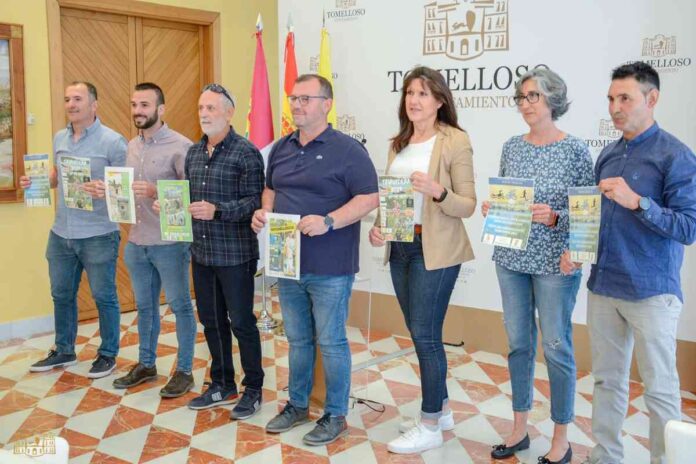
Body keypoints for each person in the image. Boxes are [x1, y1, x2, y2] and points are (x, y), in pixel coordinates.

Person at [561, 62, 696, 464]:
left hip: (651, 291)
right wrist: (578, 249)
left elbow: (688, 227)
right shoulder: (607, 154)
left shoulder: (676, 155)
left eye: (625, 98)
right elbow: (596, 219)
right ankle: (605, 456)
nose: (615, 107)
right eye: (611, 98)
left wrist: (639, 202)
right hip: (604, 287)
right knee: (607, 382)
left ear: (652, 99)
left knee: (660, 390)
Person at [252, 74, 378, 446]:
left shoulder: (349, 150)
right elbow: (271, 188)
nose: (296, 105)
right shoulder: (282, 147)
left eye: (305, 99)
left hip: (331, 266)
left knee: (332, 342)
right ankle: (297, 405)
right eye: (294, 98)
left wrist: (329, 221)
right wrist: (264, 211)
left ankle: (335, 414)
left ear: (327, 104)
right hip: (287, 262)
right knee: (297, 340)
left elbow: (369, 197)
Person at [483, 68, 593, 464]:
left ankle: (562, 437)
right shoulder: (512, 146)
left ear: (553, 100)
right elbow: (509, 199)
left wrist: (555, 217)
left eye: (534, 96)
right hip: (510, 259)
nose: (526, 104)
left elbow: (588, 212)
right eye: (522, 97)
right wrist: (494, 209)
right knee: (518, 344)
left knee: (556, 346)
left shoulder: (575, 150)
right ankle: (519, 428)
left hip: (555, 264)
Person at [367, 66, 477, 454]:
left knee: (426, 334)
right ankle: (441, 408)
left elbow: (467, 205)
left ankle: (429, 424)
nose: (414, 100)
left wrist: (437, 190)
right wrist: (379, 227)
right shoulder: (399, 142)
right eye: (409, 93)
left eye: (423, 94)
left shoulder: (455, 140)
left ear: (440, 100)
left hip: (437, 249)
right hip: (400, 247)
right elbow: (392, 198)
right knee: (419, 333)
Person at [171, 84, 266, 419]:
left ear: (229, 112)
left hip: (235, 255)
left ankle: (253, 388)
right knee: (211, 322)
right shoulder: (194, 153)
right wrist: (170, 206)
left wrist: (218, 211)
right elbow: (189, 199)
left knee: (241, 323)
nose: (204, 114)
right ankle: (223, 383)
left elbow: (255, 202)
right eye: (201, 108)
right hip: (202, 254)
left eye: (211, 108)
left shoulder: (246, 152)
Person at [21, 81, 127, 378]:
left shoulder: (113, 141)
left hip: (98, 234)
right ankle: (64, 350)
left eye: (78, 99)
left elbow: (125, 189)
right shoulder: (60, 137)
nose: (71, 104)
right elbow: (57, 176)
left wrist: (105, 189)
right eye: (67, 99)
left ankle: (108, 354)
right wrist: (37, 182)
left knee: (104, 296)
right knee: (61, 295)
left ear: (94, 104)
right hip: (61, 233)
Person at [98, 83, 197, 397]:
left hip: (170, 244)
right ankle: (146, 364)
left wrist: (157, 192)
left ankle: (184, 371)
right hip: (137, 241)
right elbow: (126, 190)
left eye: (144, 105)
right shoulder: (131, 146)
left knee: (180, 306)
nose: (138, 111)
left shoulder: (182, 146)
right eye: (134, 105)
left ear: (160, 109)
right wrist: (107, 190)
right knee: (144, 307)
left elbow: (193, 196)